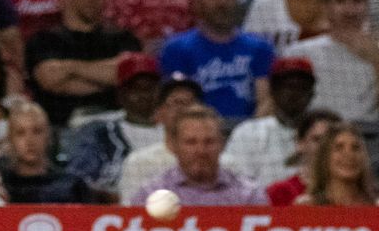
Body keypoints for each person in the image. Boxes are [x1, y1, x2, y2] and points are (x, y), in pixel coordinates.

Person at [26, 0, 142, 128]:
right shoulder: (43, 40)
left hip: (117, 130)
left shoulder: (124, 39)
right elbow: (49, 79)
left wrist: (70, 69)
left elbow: (127, 74)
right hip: (60, 133)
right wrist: (107, 79)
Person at [159, 0, 275, 119]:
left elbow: (266, 101)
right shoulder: (177, 49)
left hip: (249, 134)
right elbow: (178, 105)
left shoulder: (260, 48)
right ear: (196, 0)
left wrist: (246, 135)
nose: (222, 2)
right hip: (196, 133)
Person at [65, 52, 165, 201]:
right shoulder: (99, 133)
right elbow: (77, 181)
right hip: (114, 214)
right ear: (121, 94)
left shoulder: (177, 133)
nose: (144, 95)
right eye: (136, 89)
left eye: (149, 88)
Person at [282, 0, 379, 122]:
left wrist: (376, 61)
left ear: (366, 6)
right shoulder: (299, 53)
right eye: (340, 1)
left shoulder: (376, 53)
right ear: (326, 7)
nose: (349, 10)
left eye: (357, 1)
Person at [130, 103, 268, 205]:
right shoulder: (150, 195)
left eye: (209, 141)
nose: (201, 151)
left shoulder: (249, 196)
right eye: (191, 142)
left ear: (222, 144)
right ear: (174, 146)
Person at [222, 56, 315, 187]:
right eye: (288, 86)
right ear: (273, 91)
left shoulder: (324, 134)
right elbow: (235, 184)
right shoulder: (247, 132)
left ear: (311, 93)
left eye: (301, 87)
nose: (294, 93)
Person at [117, 72, 204, 201]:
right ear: (159, 113)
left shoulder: (224, 163)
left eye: (189, 103)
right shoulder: (139, 163)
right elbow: (130, 213)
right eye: (176, 103)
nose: (183, 110)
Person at [0, 100, 93, 203]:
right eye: (20, 133)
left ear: (48, 136)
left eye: (37, 131)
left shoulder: (70, 185)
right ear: (11, 139)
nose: (30, 141)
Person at [267, 108, 342, 204]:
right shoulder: (279, 192)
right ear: (300, 143)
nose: (324, 147)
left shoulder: (357, 194)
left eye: (332, 141)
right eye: (317, 139)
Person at [296, 121, 378, 204]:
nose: (349, 155)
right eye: (339, 148)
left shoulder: (375, 204)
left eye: (355, 148)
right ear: (325, 157)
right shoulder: (307, 206)